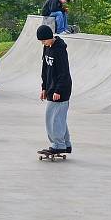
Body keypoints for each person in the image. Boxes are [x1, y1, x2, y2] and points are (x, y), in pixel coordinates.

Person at [36, 24, 73, 156]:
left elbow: (64, 72)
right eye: (41, 41)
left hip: (62, 89)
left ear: (50, 37)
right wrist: (44, 88)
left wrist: (58, 90)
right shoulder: (46, 48)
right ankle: (66, 144)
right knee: (59, 118)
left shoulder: (60, 50)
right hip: (51, 88)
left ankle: (58, 145)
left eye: (44, 41)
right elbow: (45, 70)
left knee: (53, 118)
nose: (43, 43)